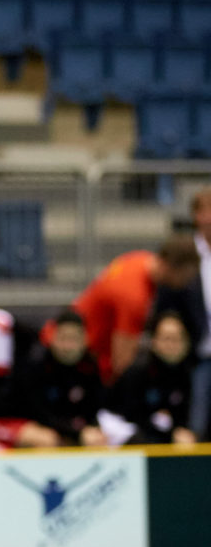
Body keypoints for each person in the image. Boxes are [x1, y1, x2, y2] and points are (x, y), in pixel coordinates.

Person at [72, 234, 199, 384]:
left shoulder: (139, 259)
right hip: (77, 357)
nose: (188, 282)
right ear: (172, 267)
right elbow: (122, 363)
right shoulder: (135, 297)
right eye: (187, 276)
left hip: (81, 348)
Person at [0, 310, 107, 449]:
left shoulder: (90, 366)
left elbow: (93, 409)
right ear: (53, 338)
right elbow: (38, 413)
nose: (68, 346)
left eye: (74, 339)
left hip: (65, 426)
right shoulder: (36, 364)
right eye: (63, 338)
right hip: (20, 419)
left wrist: (90, 429)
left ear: (85, 340)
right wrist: (76, 433)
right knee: (47, 440)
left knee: (96, 439)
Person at [153, 188, 211, 439]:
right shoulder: (181, 250)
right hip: (195, 356)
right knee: (194, 426)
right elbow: (165, 304)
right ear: (197, 215)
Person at [107, 311, 197, 445]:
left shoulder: (187, 373)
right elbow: (131, 415)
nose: (172, 345)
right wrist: (171, 433)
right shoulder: (138, 371)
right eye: (167, 338)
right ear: (154, 341)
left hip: (158, 432)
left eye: (177, 339)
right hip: (119, 426)